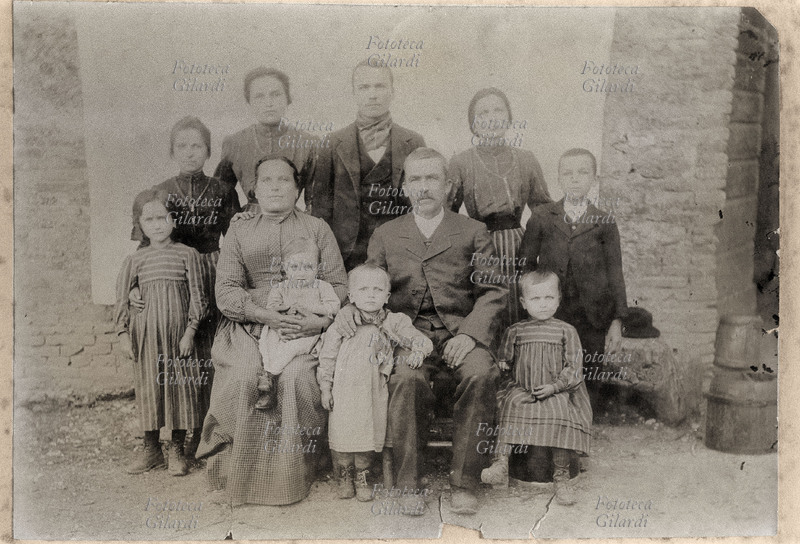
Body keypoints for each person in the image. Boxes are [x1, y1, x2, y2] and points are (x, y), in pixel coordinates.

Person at [336, 148, 507, 515]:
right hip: (406, 334)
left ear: (448, 185)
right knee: (405, 380)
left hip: (461, 331)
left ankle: (464, 482)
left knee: (480, 375)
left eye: (432, 179)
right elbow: (366, 283)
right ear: (404, 186)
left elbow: (493, 291)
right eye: (415, 179)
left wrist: (470, 335)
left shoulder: (472, 231)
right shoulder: (386, 234)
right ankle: (409, 484)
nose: (424, 187)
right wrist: (351, 307)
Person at [195, 156, 348, 506]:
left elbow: (339, 285)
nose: (276, 186)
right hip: (249, 325)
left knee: (296, 377)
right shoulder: (240, 229)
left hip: (306, 329)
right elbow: (227, 290)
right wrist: (265, 315)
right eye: (267, 180)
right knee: (247, 376)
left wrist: (318, 320)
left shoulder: (317, 228)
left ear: (298, 188)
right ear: (254, 189)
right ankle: (233, 475)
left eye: (284, 180)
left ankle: (296, 472)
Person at [129, 117, 240, 458]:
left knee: (209, 355)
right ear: (172, 150)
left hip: (212, 269)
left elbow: (233, 238)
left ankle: (203, 433)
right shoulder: (160, 191)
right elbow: (144, 247)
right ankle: (170, 438)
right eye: (182, 146)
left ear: (208, 151)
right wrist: (135, 285)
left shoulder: (223, 191)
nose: (190, 153)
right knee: (181, 357)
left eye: (197, 146)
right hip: (175, 277)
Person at [518, 148, 628, 408]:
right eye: (568, 173)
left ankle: (582, 426)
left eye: (583, 172)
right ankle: (553, 423)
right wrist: (533, 304)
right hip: (552, 311)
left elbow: (616, 273)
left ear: (594, 179)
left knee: (588, 371)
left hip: (593, 316)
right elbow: (524, 266)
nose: (575, 178)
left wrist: (617, 321)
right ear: (558, 178)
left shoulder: (604, 222)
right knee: (551, 369)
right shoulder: (543, 217)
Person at [317, 264, 433, 502]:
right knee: (343, 433)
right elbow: (327, 356)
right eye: (363, 289)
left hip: (373, 390)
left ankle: (363, 476)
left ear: (387, 296)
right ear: (351, 296)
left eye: (378, 290)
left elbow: (420, 340)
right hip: (344, 390)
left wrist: (418, 352)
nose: (371, 294)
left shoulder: (394, 321)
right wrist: (326, 387)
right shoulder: (344, 323)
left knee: (368, 434)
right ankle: (344, 476)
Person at [116, 189, 209, 477]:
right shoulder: (136, 260)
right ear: (140, 224)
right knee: (148, 389)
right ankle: (151, 450)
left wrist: (190, 332)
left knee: (180, 390)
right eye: (149, 219)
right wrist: (122, 333)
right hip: (145, 338)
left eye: (163, 217)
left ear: (174, 219)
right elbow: (121, 297)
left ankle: (177, 451)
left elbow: (199, 296)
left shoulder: (188, 255)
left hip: (178, 338)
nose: (157, 225)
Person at [480, 270, 592, 506]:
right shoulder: (516, 331)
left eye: (549, 298)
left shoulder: (566, 331)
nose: (543, 305)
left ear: (559, 299)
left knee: (559, 410)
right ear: (523, 302)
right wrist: (502, 368)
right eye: (535, 299)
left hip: (558, 389)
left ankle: (560, 476)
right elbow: (505, 362)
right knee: (510, 403)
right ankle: (501, 463)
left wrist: (555, 386)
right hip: (523, 388)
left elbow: (574, 367)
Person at [448, 88, 551, 326]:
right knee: (487, 310)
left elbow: (544, 211)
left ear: (509, 117)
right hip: (479, 247)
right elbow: (448, 215)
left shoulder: (526, 159)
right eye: (483, 113)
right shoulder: (461, 162)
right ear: (473, 124)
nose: (491, 117)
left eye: (498, 110)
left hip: (519, 247)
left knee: (521, 308)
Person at [312, 60, 425, 270]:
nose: (372, 94)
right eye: (364, 87)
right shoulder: (332, 143)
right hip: (346, 253)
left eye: (380, 86)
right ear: (353, 93)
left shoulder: (413, 142)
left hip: (400, 253)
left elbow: (421, 204)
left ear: (393, 91)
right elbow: (320, 207)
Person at [215, 67, 321, 211]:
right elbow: (221, 195)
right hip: (250, 226)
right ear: (249, 101)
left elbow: (315, 202)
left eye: (276, 94)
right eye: (259, 96)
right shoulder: (234, 143)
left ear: (287, 99)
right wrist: (237, 224)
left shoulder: (308, 143)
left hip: (294, 225)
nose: (268, 103)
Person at [255, 240, 340, 411]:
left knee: (293, 348)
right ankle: (268, 370)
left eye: (308, 267)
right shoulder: (280, 288)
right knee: (266, 339)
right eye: (295, 267)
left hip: (308, 332)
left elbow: (334, 306)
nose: (301, 273)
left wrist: (312, 308)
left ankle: (270, 376)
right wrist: (284, 311)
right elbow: (271, 309)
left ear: (318, 268)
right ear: (285, 268)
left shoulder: (322, 287)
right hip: (283, 328)